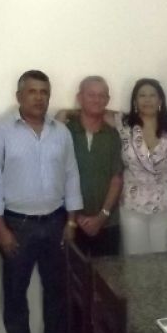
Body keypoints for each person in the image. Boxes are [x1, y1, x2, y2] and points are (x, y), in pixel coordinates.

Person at [0, 70, 82, 333]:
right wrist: (0, 229)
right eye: (32, 91)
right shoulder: (0, 132)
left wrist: (72, 220)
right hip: (16, 225)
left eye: (44, 92)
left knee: (57, 291)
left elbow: (71, 175)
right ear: (19, 96)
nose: (39, 97)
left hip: (56, 222)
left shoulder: (61, 132)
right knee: (15, 293)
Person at [118, 78, 167, 255]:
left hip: (164, 206)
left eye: (152, 95)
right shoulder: (124, 125)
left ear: (160, 100)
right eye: (142, 95)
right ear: (135, 101)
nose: (147, 99)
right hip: (133, 206)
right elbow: (94, 111)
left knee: (163, 260)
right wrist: (65, 112)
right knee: (135, 261)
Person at [65, 76, 123, 257]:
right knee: (72, 274)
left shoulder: (114, 134)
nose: (97, 100)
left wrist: (102, 216)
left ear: (107, 100)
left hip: (108, 222)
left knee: (108, 274)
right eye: (91, 95)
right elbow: (57, 178)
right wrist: (76, 218)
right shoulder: (64, 132)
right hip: (70, 222)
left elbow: (116, 178)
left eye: (102, 95)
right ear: (80, 98)